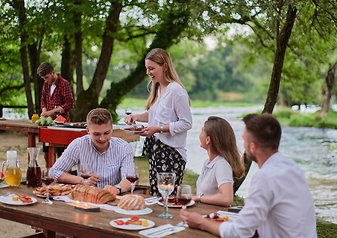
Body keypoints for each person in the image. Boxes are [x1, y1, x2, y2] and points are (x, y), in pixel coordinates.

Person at [180, 113, 317, 238]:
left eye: (244, 140)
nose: (243, 146)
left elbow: (240, 231)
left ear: (253, 147)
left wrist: (201, 222)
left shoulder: (265, 177)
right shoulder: (292, 167)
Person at [125, 48, 192, 196]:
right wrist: (136, 117)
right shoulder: (158, 88)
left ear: (165, 66)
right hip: (157, 150)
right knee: (156, 196)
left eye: (152, 68)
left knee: (168, 197)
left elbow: (187, 123)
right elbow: (154, 115)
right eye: (147, 69)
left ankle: (170, 219)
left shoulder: (176, 90)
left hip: (171, 153)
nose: (148, 72)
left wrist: (158, 129)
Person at [49, 108, 134, 195]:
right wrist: (81, 180)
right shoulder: (78, 144)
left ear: (112, 128)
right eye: (96, 134)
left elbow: (129, 179)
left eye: (106, 133)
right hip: (84, 198)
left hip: (112, 197)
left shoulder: (123, 147)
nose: (102, 138)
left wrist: (116, 188)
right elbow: (54, 171)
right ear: (88, 131)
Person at [193, 116, 244, 206]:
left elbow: (227, 199)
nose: (199, 135)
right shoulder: (209, 163)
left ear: (208, 140)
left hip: (214, 217)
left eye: (202, 131)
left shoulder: (221, 165)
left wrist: (199, 197)